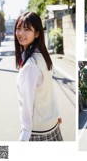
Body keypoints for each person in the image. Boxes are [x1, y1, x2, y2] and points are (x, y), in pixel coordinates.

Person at [15, 12, 63, 141]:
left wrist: (25, 134)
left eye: (26, 29)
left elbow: (27, 101)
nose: (20, 33)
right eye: (18, 28)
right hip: (51, 124)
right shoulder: (42, 56)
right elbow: (50, 90)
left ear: (37, 33)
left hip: (37, 132)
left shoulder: (30, 65)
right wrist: (56, 113)